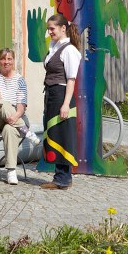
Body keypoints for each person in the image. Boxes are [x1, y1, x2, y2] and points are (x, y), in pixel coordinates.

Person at [0, 48, 39, 185]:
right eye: (3, 59)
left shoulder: (20, 80)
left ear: (14, 61)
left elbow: (21, 106)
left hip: (14, 117)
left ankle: (11, 171)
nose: (6, 62)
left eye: (9, 59)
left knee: (9, 129)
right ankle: (27, 132)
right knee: (0, 102)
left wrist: (15, 117)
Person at [41, 14, 82, 190]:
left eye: (52, 29)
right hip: (52, 94)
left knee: (63, 134)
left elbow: (71, 79)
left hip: (61, 94)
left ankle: (63, 179)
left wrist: (66, 104)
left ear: (63, 28)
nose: (49, 32)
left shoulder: (69, 50)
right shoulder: (54, 47)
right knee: (55, 133)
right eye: (48, 28)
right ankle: (59, 177)